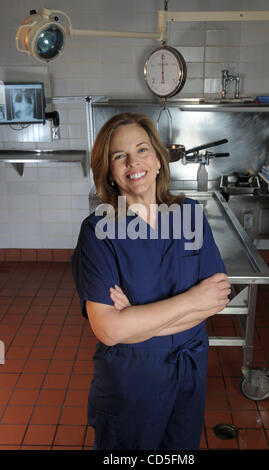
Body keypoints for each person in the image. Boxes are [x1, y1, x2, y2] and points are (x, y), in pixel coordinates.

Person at [71, 112, 230, 450]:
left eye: (142, 150)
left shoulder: (190, 215)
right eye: (119, 156)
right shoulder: (98, 232)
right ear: (109, 172)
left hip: (189, 374)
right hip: (132, 381)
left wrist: (136, 323)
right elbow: (109, 331)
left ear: (158, 159)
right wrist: (190, 300)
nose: (133, 162)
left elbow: (216, 298)